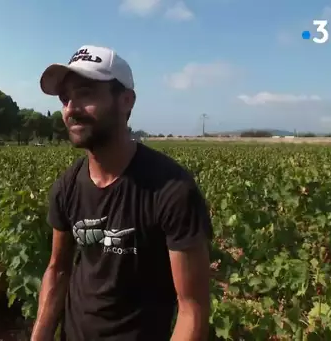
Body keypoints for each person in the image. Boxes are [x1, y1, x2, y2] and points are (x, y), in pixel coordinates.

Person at [31, 45, 213, 341]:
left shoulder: (172, 189)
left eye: (86, 93)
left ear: (126, 101)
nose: (70, 109)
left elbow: (192, 309)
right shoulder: (67, 185)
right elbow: (58, 271)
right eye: (65, 98)